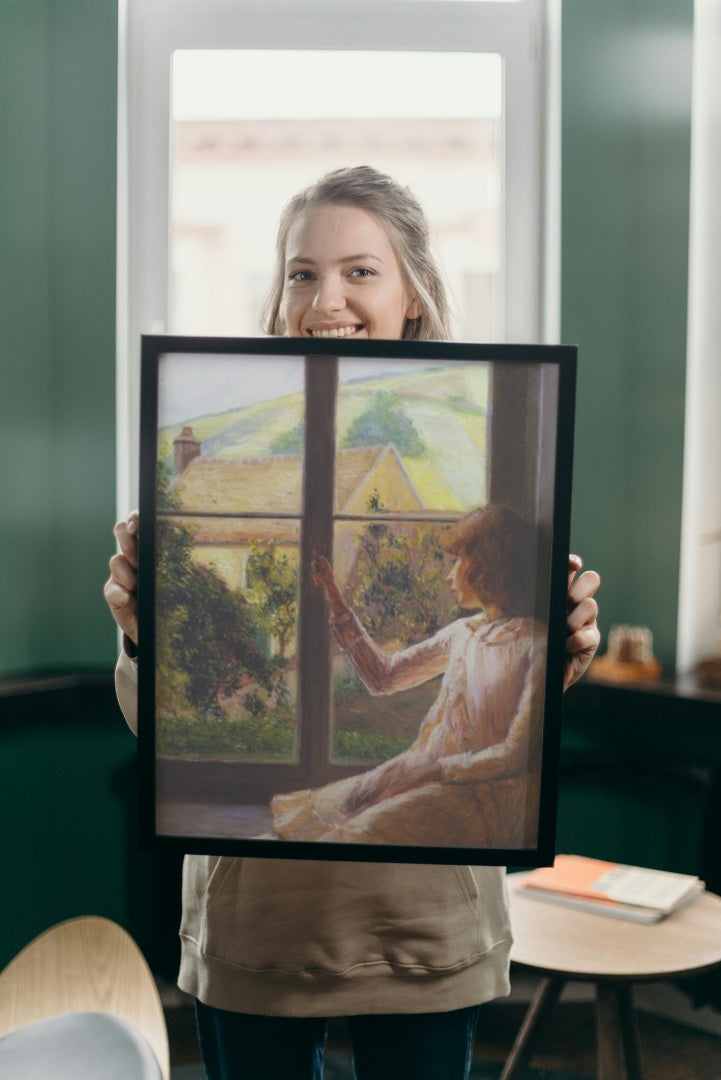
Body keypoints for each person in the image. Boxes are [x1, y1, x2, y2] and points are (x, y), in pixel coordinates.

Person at [105, 166, 601, 1080]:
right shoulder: (203, 451)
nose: (324, 297)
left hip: (423, 924)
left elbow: (519, 736)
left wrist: (567, 648)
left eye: (359, 271)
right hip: (258, 929)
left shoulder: (502, 600)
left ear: (413, 292)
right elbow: (169, 726)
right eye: (301, 272)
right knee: (301, 819)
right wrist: (144, 636)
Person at [271, 506, 545, 850]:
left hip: (482, 796)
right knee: (342, 805)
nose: (449, 575)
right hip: (425, 773)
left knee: (360, 835)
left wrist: (433, 771)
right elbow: (385, 677)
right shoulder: (463, 632)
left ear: (490, 567)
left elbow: (514, 754)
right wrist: (338, 603)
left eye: (458, 561)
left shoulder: (536, 646)